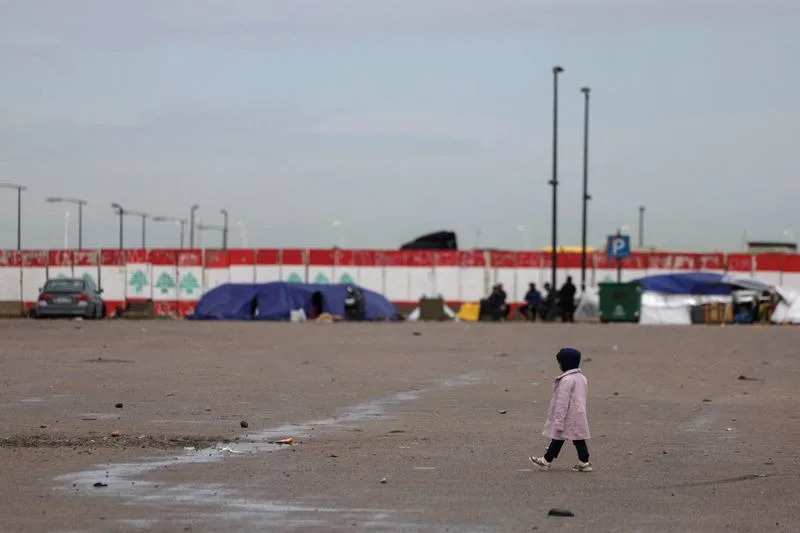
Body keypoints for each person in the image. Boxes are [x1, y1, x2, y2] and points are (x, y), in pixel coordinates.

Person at [529, 347, 592, 472]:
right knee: (579, 438)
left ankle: (546, 461)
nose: (559, 365)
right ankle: (584, 462)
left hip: (567, 415)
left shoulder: (567, 380)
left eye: (560, 363)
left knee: (557, 438)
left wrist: (558, 421)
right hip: (579, 414)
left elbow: (562, 402)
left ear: (565, 363)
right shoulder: (582, 378)